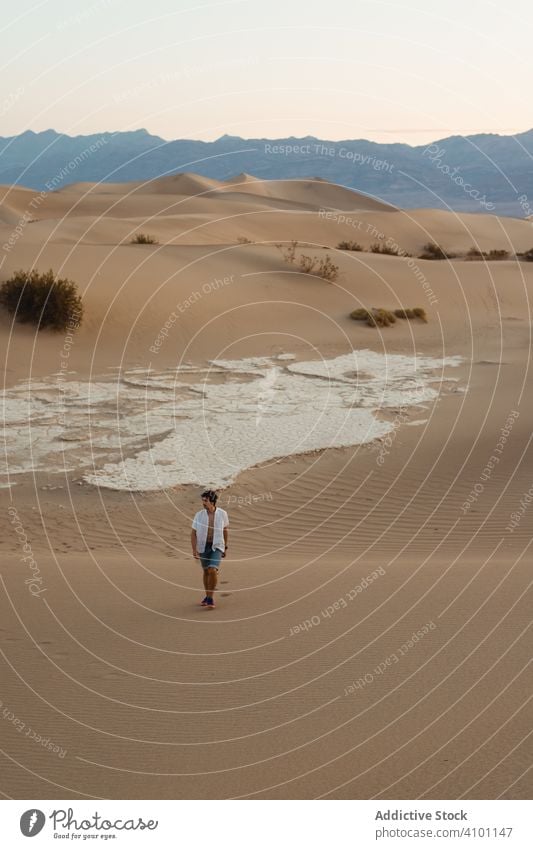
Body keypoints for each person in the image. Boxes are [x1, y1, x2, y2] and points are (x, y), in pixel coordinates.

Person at [191, 489, 229, 609]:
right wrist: (194, 549)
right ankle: (207, 596)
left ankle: (211, 598)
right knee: (206, 571)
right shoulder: (199, 515)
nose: (203, 503)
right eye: (202, 500)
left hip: (217, 546)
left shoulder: (223, 514)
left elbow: (225, 530)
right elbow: (193, 533)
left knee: (212, 570)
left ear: (212, 501)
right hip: (203, 546)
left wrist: (225, 547)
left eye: (205, 500)